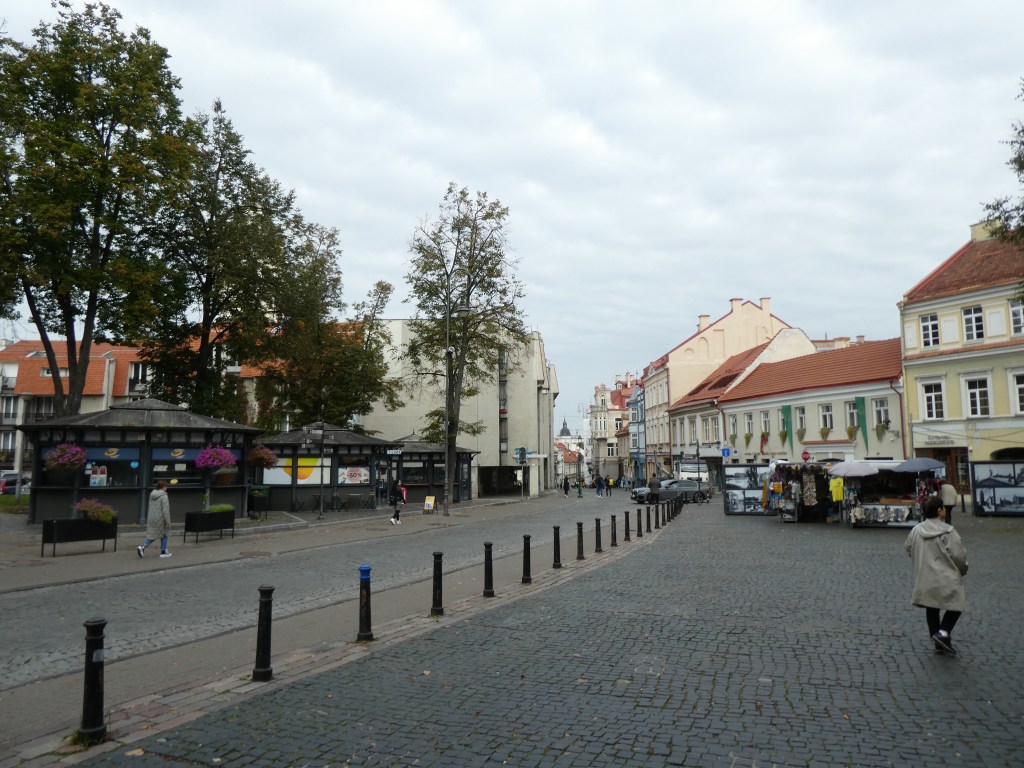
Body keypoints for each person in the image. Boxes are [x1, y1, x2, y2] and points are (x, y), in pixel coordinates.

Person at [904, 495, 968, 655]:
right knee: (957, 604)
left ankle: (937, 639)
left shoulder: (916, 530)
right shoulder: (948, 531)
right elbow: (959, 556)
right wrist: (962, 570)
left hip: (925, 576)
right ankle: (943, 633)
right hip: (946, 577)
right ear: (940, 510)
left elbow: (908, 547)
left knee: (931, 606)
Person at [138, 480, 172, 558]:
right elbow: (165, 510)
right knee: (164, 534)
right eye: (166, 486)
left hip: (152, 518)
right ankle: (144, 547)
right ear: (164, 487)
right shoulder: (164, 496)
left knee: (154, 534)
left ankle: (164, 550)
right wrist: (168, 522)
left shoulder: (152, 494)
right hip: (160, 518)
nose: (167, 488)